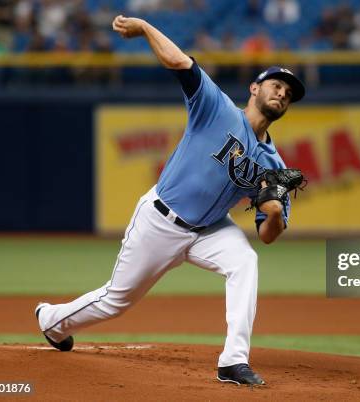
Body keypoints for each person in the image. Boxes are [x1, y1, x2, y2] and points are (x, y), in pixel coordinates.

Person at [34, 14, 306, 386]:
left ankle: (233, 361)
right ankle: (51, 320)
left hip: (210, 230)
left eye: (288, 95)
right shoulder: (218, 108)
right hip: (161, 219)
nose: (282, 94)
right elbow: (181, 62)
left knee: (245, 262)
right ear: (255, 89)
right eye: (276, 86)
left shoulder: (275, 167)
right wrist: (144, 27)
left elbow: (269, 234)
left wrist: (273, 212)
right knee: (117, 301)